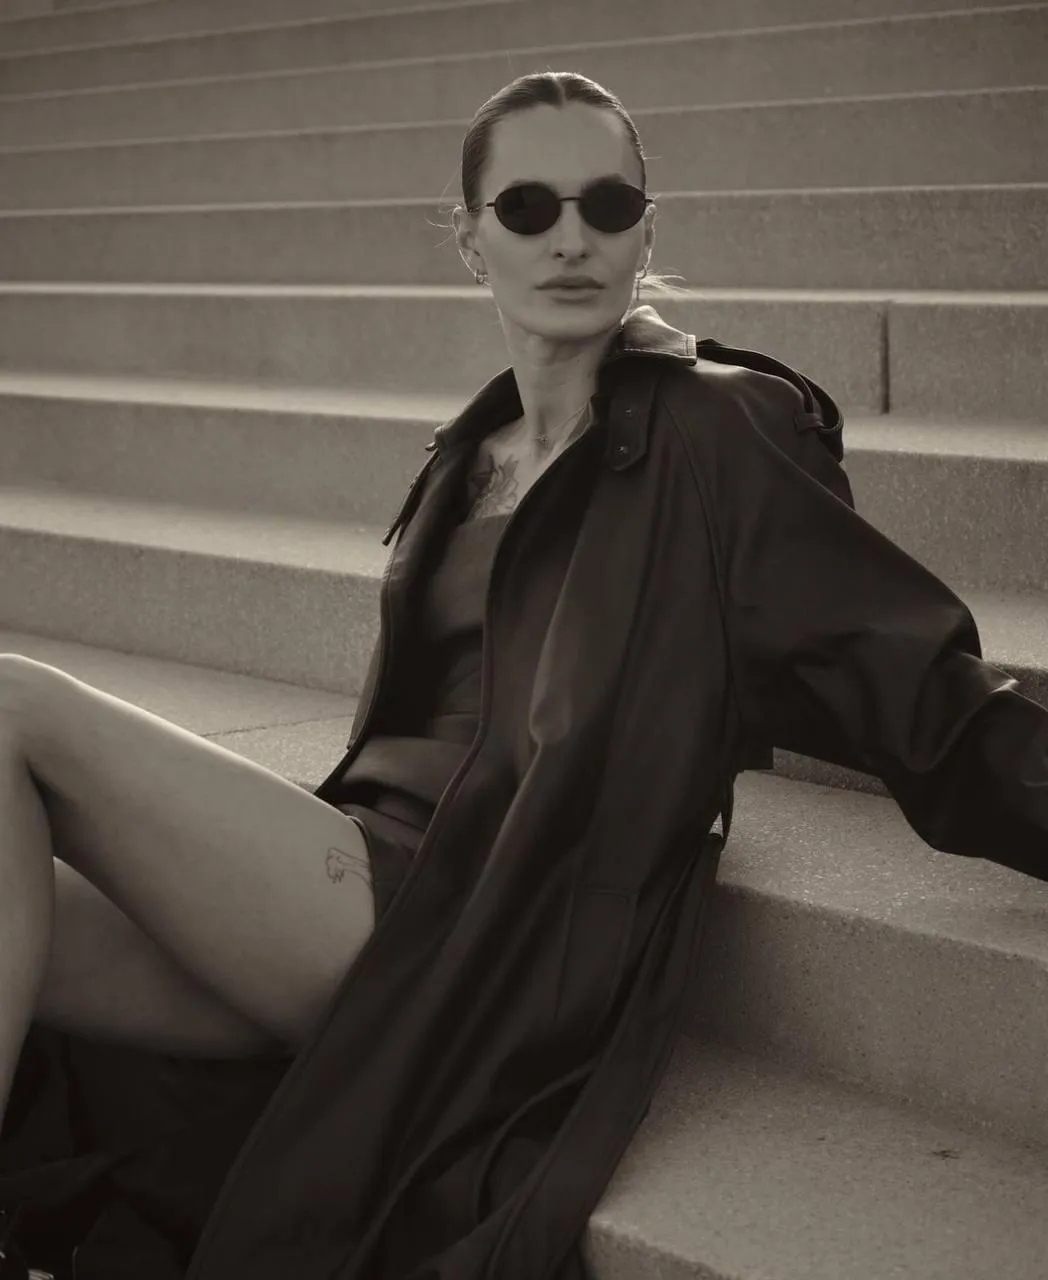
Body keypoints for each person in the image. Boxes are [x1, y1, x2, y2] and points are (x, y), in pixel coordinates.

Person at [0, 70, 1045, 1280]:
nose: (571, 238)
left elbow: (922, 694)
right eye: (530, 206)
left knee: (14, 701)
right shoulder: (471, 447)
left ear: (647, 228)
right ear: (470, 240)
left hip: (455, 920)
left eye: (609, 204)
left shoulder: (721, 430)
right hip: (345, 869)